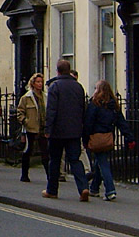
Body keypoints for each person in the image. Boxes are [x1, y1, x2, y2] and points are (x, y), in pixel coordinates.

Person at [43, 59, 90, 202]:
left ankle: (52, 190)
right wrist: (82, 128)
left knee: (55, 161)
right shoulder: (78, 87)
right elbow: (83, 109)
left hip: (57, 131)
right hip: (74, 130)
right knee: (75, 160)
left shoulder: (54, 86)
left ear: (57, 71)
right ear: (69, 70)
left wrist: (48, 129)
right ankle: (83, 188)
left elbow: (51, 110)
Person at [84, 80, 136, 201]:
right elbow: (121, 123)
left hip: (97, 137)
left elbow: (88, 123)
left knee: (103, 164)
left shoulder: (94, 104)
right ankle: (94, 188)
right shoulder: (114, 106)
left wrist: (85, 138)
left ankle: (110, 191)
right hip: (109, 138)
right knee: (100, 162)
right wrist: (129, 137)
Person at [16, 72, 49, 182]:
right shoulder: (26, 97)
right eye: (38, 82)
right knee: (28, 151)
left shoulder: (45, 96)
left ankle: (50, 176)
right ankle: (24, 174)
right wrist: (25, 121)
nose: (40, 84)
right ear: (33, 83)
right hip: (31, 128)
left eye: (41, 82)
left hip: (43, 128)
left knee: (45, 152)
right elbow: (20, 112)